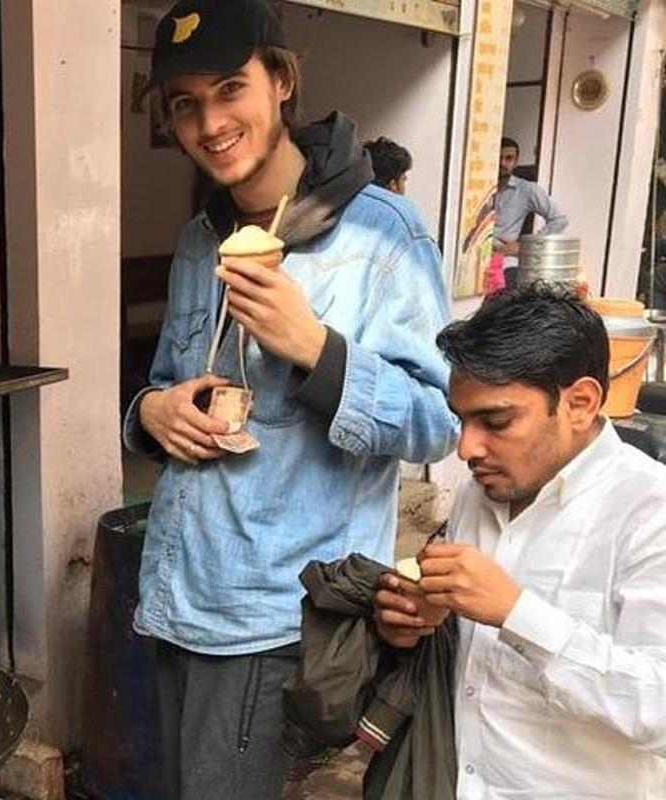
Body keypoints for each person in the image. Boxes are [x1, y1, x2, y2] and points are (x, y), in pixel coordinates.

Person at [122, 1, 459, 797]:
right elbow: (174, 378)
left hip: (275, 618)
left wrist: (316, 350)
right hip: (177, 597)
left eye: (230, 89)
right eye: (184, 104)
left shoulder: (382, 236)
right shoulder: (201, 239)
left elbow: (439, 420)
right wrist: (149, 412)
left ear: (280, 82)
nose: (210, 122)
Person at [375, 283, 666, 798]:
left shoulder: (650, 512)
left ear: (579, 403)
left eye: (496, 420)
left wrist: (515, 612)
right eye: (461, 419)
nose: (466, 448)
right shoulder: (475, 494)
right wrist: (416, 622)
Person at [493, 136, 567, 257]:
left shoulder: (526, 189)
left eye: (509, 158)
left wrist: (524, 246)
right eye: (499, 157)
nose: (502, 163)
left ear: (516, 162)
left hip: (502, 257)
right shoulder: (477, 188)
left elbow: (559, 220)